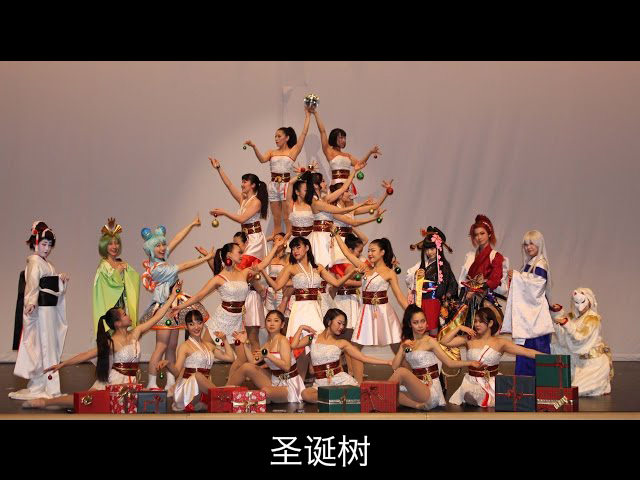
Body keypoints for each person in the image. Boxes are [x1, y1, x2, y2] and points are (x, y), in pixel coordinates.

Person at [20, 281, 183, 409]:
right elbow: (86, 355)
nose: (128, 316)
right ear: (118, 323)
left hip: (130, 383)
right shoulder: (112, 343)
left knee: (147, 400)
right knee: (85, 401)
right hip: (114, 383)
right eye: (124, 315)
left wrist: (172, 296)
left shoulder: (136, 332)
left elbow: (157, 317)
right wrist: (63, 364)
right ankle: (45, 402)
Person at [170, 237, 285, 378]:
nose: (242, 255)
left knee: (241, 358)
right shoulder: (219, 278)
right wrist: (180, 307)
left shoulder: (244, 272)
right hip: (222, 319)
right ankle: (185, 381)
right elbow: (199, 295)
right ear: (229, 255)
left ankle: (230, 384)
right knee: (202, 351)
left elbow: (262, 264)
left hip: (237, 320)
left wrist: (275, 246)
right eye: (239, 252)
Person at [259, 236, 363, 380]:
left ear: (307, 248)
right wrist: (263, 271)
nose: (295, 251)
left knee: (320, 343)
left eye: (298, 247)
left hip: (315, 309)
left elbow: (336, 283)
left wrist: (352, 273)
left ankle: (328, 377)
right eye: (293, 248)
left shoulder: (318, 267)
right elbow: (277, 286)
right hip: (300, 309)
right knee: (300, 350)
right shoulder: (291, 267)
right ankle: (300, 382)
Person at [139, 217, 214, 391]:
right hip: (164, 306)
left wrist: (191, 224)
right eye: (158, 246)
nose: (162, 248)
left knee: (172, 346)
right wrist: (206, 258)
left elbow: (176, 239)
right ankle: (151, 383)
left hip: (174, 304)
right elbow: (184, 266)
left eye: (163, 245)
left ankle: (171, 383)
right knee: (161, 346)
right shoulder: (158, 268)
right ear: (150, 250)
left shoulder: (162, 258)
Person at [333, 233, 409, 383]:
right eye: (368, 250)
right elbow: (347, 253)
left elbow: (400, 296)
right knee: (355, 348)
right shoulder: (365, 268)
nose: (369, 253)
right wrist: (336, 234)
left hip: (384, 313)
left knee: (398, 347)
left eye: (373, 250)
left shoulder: (389, 273)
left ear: (382, 252)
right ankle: (358, 383)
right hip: (366, 312)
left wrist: (413, 312)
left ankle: (410, 378)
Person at [10, 222, 69, 400]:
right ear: (35, 243)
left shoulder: (47, 264)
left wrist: (60, 279)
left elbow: (49, 282)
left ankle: (45, 385)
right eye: (44, 244)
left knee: (48, 346)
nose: (47, 248)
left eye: (49, 245)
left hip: (49, 311)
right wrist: (30, 302)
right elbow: (32, 284)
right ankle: (43, 385)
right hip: (41, 311)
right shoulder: (35, 261)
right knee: (42, 346)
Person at [442, 307, 544, 407]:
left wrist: (549, 358)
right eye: (476, 321)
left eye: (481, 321)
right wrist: (459, 327)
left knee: (515, 395)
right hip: (472, 382)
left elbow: (526, 351)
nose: (477, 324)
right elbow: (444, 341)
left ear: (490, 323)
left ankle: (491, 398)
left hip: (493, 382)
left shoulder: (500, 342)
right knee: (469, 394)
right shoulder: (469, 339)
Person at [389, 305, 484, 410]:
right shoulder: (409, 345)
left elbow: (450, 363)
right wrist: (402, 347)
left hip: (430, 389)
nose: (420, 326)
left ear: (426, 322)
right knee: (394, 393)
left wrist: (470, 363)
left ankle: (381, 396)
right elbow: (394, 366)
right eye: (416, 322)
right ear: (409, 324)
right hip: (417, 388)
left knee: (400, 373)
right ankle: (418, 406)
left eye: (423, 321)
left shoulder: (430, 342)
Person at [291, 308, 392, 403]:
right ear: (329, 322)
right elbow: (294, 345)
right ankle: (343, 398)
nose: (342, 327)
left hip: (340, 382)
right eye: (339, 323)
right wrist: (301, 328)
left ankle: (339, 398)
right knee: (305, 394)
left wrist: (387, 362)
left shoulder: (341, 343)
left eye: (343, 324)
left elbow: (363, 358)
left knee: (330, 394)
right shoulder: (312, 338)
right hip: (320, 383)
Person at [502, 230, 559, 375]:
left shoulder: (540, 263)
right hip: (530, 320)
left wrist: (516, 276)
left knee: (535, 354)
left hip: (536, 321)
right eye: (526, 244)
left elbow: (535, 288)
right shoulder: (531, 263)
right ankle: (526, 384)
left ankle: (537, 384)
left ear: (539, 244)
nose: (529, 247)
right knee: (526, 353)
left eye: (532, 243)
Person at [159, 310, 235, 412]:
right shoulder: (184, 346)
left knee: (228, 385)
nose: (196, 327)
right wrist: (168, 363)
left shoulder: (209, 346)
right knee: (198, 375)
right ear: (186, 327)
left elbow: (230, 358)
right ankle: (222, 398)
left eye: (199, 323)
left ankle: (218, 399)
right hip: (188, 393)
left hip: (204, 390)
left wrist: (225, 340)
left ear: (203, 324)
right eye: (191, 324)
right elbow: (177, 371)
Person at [227, 310, 306, 403]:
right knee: (246, 367)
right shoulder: (267, 344)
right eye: (269, 320)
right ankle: (224, 393)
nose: (272, 323)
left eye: (276, 321)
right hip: (275, 380)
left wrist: (268, 355)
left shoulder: (283, 340)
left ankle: (247, 398)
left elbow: (287, 367)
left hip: (290, 384)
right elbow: (252, 361)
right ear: (265, 324)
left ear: (282, 325)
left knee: (266, 391)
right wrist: (245, 344)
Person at [551, 288, 613, 396]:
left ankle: (600, 382)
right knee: (554, 348)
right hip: (578, 359)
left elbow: (580, 338)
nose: (580, 307)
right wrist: (558, 314)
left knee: (575, 390)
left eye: (582, 302)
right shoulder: (573, 317)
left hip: (593, 364)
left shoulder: (593, 320)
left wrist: (566, 324)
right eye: (576, 302)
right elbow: (564, 339)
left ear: (589, 300)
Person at [209, 157, 269, 268]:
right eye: (242, 182)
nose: (242, 184)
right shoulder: (243, 199)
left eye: (245, 182)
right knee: (241, 267)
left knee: (244, 266)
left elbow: (242, 219)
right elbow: (229, 185)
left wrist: (224, 212)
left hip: (255, 239)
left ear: (253, 185)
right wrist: (219, 168)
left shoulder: (256, 202)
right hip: (245, 238)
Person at [312, 109, 381, 194]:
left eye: (344, 138)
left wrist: (369, 153)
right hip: (336, 186)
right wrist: (315, 113)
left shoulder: (348, 155)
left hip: (349, 185)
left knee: (350, 202)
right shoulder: (329, 151)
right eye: (341, 138)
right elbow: (322, 131)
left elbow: (359, 164)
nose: (344, 140)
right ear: (334, 138)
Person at [92, 217, 140, 340]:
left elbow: (134, 279)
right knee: (112, 337)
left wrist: (128, 272)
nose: (114, 246)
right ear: (104, 246)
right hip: (111, 308)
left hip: (123, 305)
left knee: (125, 336)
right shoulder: (103, 267)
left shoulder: (122, 263)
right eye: (110, 244)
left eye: (116, 243)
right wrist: (117, 273)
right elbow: (107, 287)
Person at [405, 227, 458, 338]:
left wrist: (444, 300)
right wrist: (414, 286)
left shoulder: (443, 266)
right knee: (421, 331)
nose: (429, 252)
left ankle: (434, 348)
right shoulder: (422, 264)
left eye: (432, 248)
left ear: (438, 248)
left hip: (433, 302)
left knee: (433, 330)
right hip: (421, 301)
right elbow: (410, 280)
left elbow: (452, 284)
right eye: (427, 249)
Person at [458, 214, 508, 329]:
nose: (479, 237)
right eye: (476, 234)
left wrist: (478, 287)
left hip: (485, 298)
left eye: (482, 233)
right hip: (469, 297)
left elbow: (495, 280)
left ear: (489, 234)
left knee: (487, 328)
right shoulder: (469, 256)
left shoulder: (496, 256)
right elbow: (464, 279)